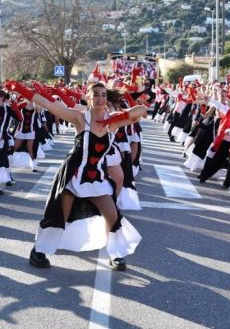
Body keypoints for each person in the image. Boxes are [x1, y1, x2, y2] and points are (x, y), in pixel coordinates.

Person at [11, 81, 145, 271]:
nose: (100, 98)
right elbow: (50, 105)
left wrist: (120, 115)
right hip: (74, 175)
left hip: (97, 177)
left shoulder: (113, 121)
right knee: (59, 216)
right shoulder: (80, 118)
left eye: (104, 95)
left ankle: (116, 254)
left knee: (112, 214)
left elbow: (140, 111)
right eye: (96, 94)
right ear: (88, 97)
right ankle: (39, 251)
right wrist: (22, 90)